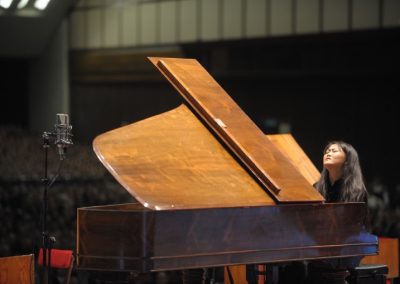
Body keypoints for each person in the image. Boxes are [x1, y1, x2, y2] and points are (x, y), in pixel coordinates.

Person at [306, 141, 369, 284]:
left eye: (335, 151)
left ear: (347, 159)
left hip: (343, 258)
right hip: (317, 254)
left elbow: (354, 229)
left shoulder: (357, 191)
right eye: (327, 151)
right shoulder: (316, 188)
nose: (328, 153)